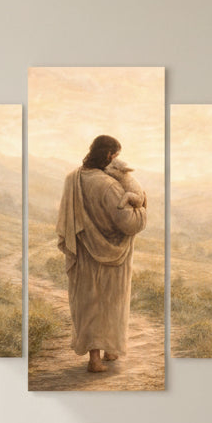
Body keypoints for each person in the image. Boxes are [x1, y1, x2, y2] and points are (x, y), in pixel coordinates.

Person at [56, 134, 148, 373]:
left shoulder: (71, 179)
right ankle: (105, 354)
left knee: (88, 304)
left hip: (83, 254)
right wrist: (143, 210)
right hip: (113, 257)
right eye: (115, 155)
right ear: (108, 155)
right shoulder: (109, 186)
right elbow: (128, 222)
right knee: (111, 303)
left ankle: (97, 357)